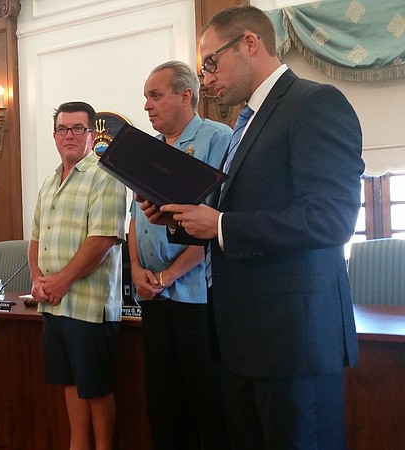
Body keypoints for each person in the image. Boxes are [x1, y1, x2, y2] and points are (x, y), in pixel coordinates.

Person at [140, 6, 364, 449]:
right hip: (242, 340)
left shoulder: (314, 103)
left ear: (249, 43)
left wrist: (221, 224)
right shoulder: (245, 122)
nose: (204, 78)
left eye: (210, 63)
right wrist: (179, 218)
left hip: (292, 338)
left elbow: (332, 218)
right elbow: (241, 207)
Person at [129, 61, 231, 450]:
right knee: (164, 403)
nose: (147, 107)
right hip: (153, 296)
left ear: (186, 95)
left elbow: (211, 218)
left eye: (155, 96)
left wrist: (168, 275)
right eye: (146, 98)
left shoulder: (216, 139)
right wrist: (136, 268)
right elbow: (135, 217)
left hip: (197, 298)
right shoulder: (148, 149)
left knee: (206, 402)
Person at [29, 101, 126, 450]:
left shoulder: (107, 175)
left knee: (96, 388)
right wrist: (38, 279)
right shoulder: (49, 182)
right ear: (54, 135)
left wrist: (62, 280)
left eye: (77, 129)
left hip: (89, 305)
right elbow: (36, 238)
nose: (68, 135)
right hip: (53, 305)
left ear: (91, 134)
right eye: (62, 129)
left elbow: (102, 240)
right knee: (69, 383)